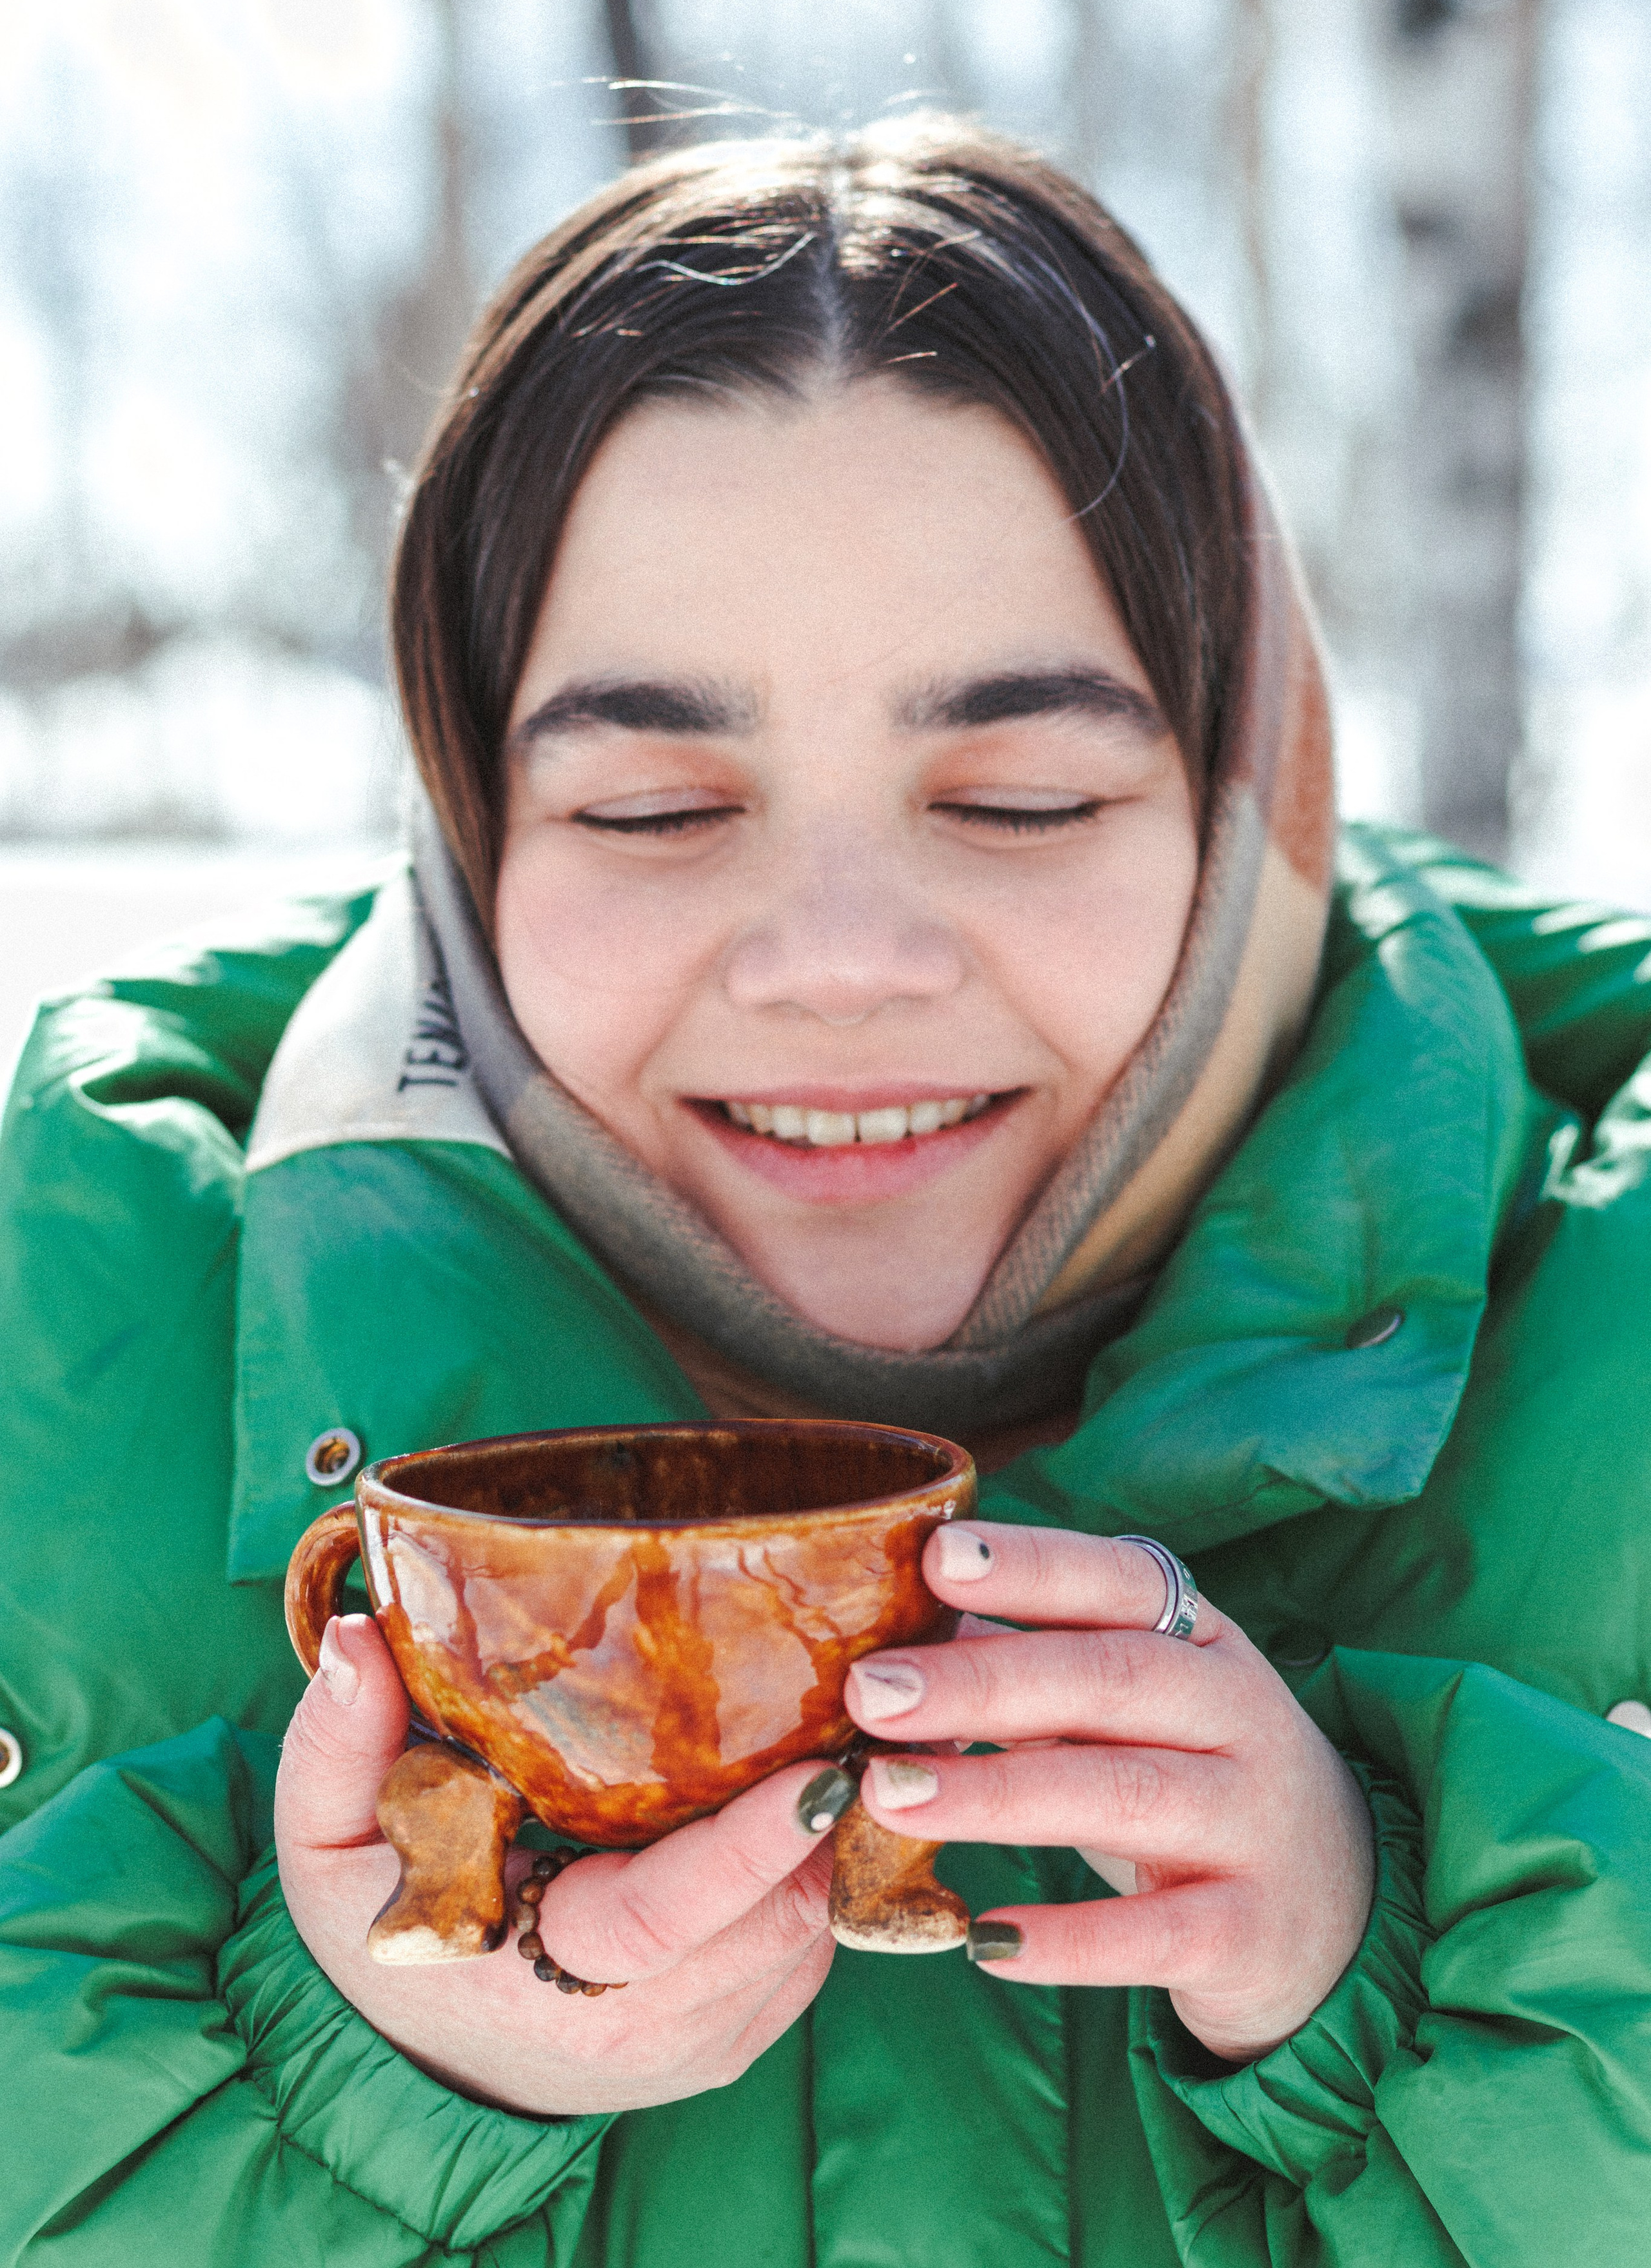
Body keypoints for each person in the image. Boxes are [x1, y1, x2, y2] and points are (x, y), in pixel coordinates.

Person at [3, 117, 1651, 2268]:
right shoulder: (76, 1338)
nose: (836, 959)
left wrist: (1420, 1983)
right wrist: (357, 2097)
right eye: (663, 804)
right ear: (476, 820)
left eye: (1022, 794)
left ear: (1251, 796)